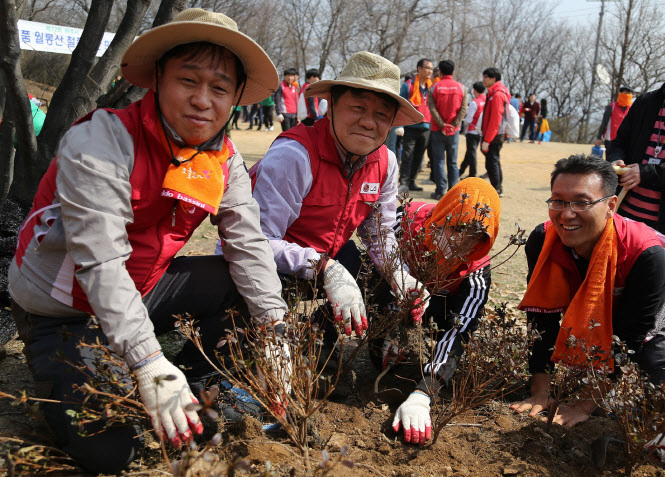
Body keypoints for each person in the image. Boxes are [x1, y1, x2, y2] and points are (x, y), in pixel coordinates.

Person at [8, 9, 289, 474]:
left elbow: (247, 242)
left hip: (142, 289)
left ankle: (197, 384)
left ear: (236, 97)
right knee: (111, 449)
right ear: (158, 78)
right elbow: (99, 263)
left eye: (219, 88)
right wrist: (148, 362)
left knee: (240, 283)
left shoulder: (223, 156)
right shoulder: (101, 141)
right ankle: (75, 382)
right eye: (188, 81)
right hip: (65, 306)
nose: (203, 100)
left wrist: (277, 332)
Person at [244, 51, 428, 343]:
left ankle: (322, 344)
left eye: (381, 114)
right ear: (330, 106)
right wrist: (323, 267)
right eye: (358, 107)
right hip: (271, 263)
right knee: (242, 302)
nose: (369, 122)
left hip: (326, 257)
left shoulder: (386, 163)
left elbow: (380, 235)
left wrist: (399, 275)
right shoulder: (294, 157)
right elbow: (256, 242)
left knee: (375, 275)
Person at [512, 154, 665, 427]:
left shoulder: (646, 254)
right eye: (558, 201)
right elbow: (541, 320)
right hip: (611, 318)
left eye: (582, 202)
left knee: (651, 365)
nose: (566, 214)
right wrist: (540, 393)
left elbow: (630, 336)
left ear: (610, 205)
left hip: (656, 311)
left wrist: (585, 405)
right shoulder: (543, 240)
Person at [389, 178, 500, 445]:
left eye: (476, 236)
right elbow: (373, 254)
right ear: (442, 215)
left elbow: (458, 332)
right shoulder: (405, 218)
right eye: (456, 228)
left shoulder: (476, 272)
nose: (462, 242)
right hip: (393, 291)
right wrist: (390, 322)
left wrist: (424, 393)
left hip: (438, 308)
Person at [608, 83, 665, 233]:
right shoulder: (645, 101)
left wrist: (647, 173)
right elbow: (619, 143)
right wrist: (616, 159)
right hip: (624, 214)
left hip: (660, 228)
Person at [427, 59, 468, 200]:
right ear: (453, 71)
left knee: (438, 161)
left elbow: (432, 108)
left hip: (437, 130)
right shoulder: (461, 87)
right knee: (452, 162)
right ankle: (453, 192)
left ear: (440, 72)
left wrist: (442, 124)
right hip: (454, 131)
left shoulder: (434, 87)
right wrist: (453, 124)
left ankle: (440, 191)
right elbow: (463, 109)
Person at [398, 58, 434, 194]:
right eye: (427, 68)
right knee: (407, 155)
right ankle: (403, 182)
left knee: (419, 156)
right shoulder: (407, 85)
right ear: (419, 69)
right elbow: (401, 105)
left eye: (431, 68)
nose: (430, 71)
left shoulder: (432, 87)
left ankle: (412, 181)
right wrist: (400, 125)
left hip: (426, 127)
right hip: (410, 127)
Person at [480, 67, 511, 197]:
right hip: (495, 134)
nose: (483, 80)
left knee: (492, 162)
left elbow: (495, 119)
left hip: (495, 135)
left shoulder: (497, 94)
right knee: (494, 161)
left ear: (493, 78)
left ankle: (496, 189)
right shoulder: (494, 93)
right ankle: (497, 188)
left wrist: (487, 139)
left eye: (485, 77)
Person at [596, 85, 633, 157]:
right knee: (610, 160)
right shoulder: (611, 107)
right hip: (610, 139)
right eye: (624, 93)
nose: (626, 95)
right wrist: (598, 137)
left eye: (628, 93)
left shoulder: (632, 108)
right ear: (620, 94)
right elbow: (604, 123)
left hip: (625, 140)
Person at [459, 81, 486, 178]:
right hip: (480, 131)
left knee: (471, 152)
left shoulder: (475, 103)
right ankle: (461, 170)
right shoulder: (486, 101)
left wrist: (464, 122)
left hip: (472, 130)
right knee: (470, 152)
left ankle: (472, 173)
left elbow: (468, 119)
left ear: (475, 90)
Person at [274, 67, 299, 131]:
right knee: (287, 134)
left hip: (294, 114)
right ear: (284, 76)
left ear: (294, 77)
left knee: (294, 134)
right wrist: (278, 113)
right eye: (288, 75)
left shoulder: (295, 87)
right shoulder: (280, 86)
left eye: (291, 76)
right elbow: (277, 100)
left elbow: (297, 101)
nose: (289, 78)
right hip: (284, 113)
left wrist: (298, 114)